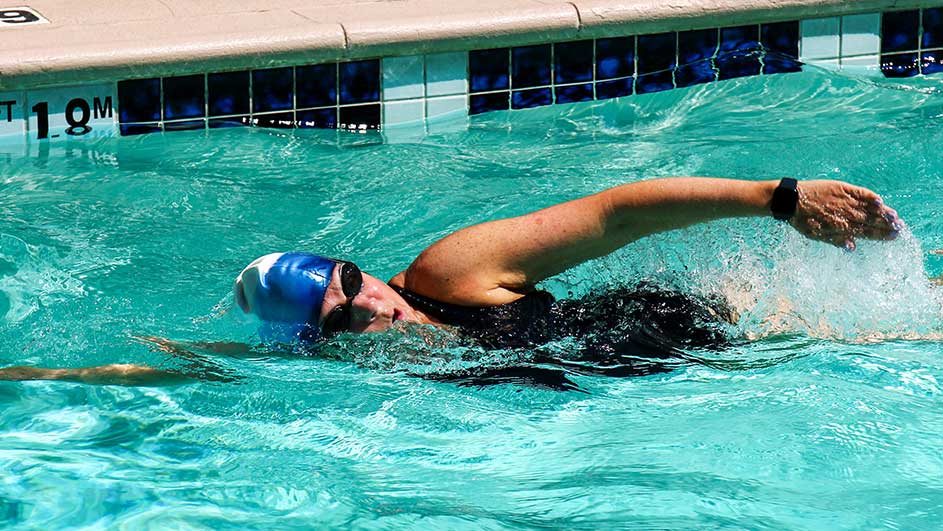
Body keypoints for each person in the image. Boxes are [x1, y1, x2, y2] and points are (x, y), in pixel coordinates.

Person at [0, 177, 903, 386]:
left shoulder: (443, 272)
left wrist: (776, 199)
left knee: (907, 328)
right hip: (663, 383)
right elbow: (206, 371)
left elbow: (617, 214)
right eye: (342, 317)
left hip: (705, 330)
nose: (370, 303)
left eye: (351, 278)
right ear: (320, 344)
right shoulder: (354, 371)